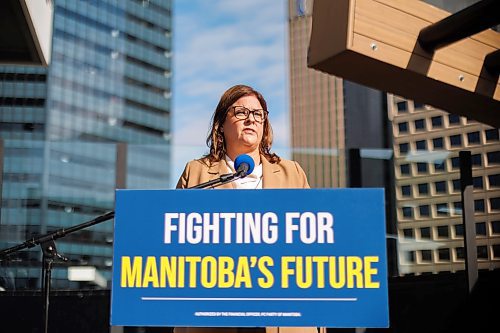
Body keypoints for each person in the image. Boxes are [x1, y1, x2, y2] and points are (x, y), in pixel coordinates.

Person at [175, 84, 322, 333]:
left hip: (283, 314)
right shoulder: (197, 172)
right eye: (241, 112)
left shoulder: (292, 172)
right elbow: (175, 240)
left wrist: (320, 318)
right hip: (215, 312)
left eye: (258, 114)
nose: (251, 119)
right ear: (221, 123)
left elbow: (314, 245)